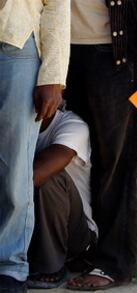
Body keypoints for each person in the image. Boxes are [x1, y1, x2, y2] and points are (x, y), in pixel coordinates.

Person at [64, 1, 137, 290]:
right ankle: (80, 252)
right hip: (59, 50)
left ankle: (115, 262)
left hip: (115, 56)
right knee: (73, 163)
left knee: (117, 163)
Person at [0, 1, 70, 292]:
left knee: (14, 165)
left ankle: (9, 265)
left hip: (16, 44)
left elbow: (56, 5)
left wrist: (53, 74)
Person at [26, 108, 97, 289]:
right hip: (28, 228)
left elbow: (37, 174)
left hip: (74, 235)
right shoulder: (13, 125)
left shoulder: (73, 126)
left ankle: (51, 266)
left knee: (50, 178)